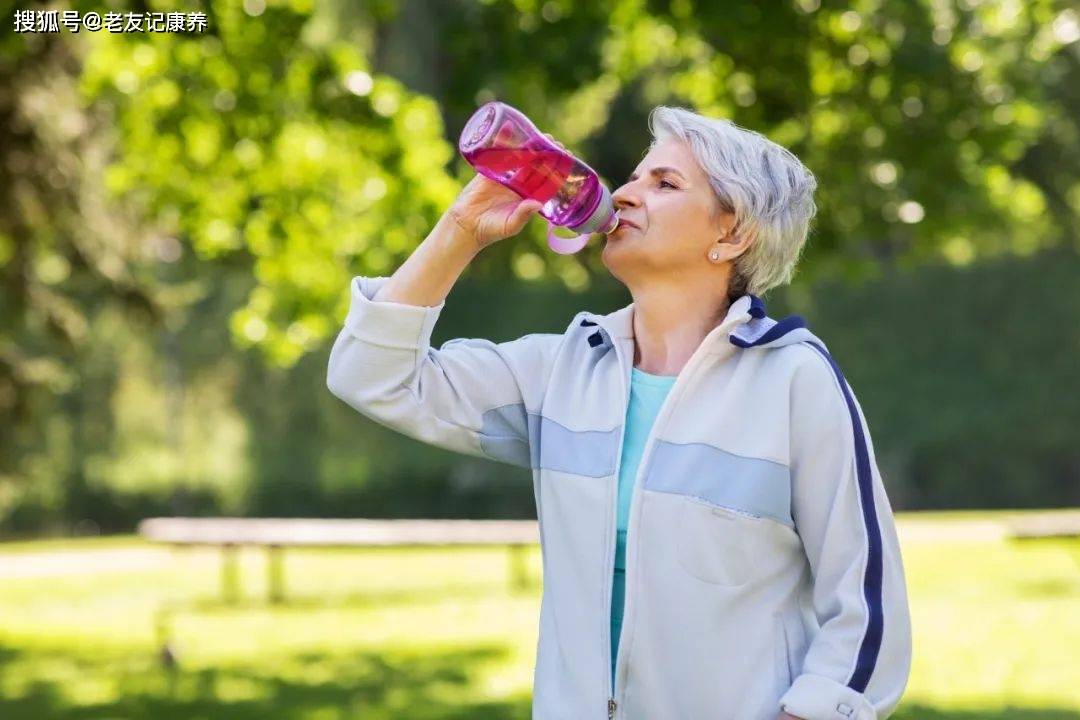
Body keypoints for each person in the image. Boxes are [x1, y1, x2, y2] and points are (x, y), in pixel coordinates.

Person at [327, 106, 912, 720]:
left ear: (733, 235)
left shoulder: (795, 379)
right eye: (633, 178)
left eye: (665, 183)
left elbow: (867, 604)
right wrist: (461, 230)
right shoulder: (560, 374)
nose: (627, 194)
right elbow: (371, 375)